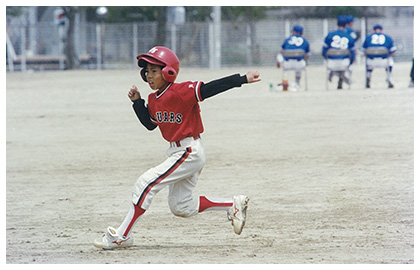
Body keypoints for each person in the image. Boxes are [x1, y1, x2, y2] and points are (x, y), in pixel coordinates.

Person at [93, 46, 261, 250]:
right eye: (147, 71)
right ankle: (232, 204)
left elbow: (209, 88)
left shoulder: (181, 91)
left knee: (145, 183)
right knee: (181, 206)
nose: (149, 75)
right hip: (179, 152)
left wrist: (241, 79)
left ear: (168, 72)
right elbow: (150, 124)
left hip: (189, 151)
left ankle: (122, 235)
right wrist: (138, 103)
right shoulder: (154, 100)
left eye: (154, 70)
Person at [322, 15, 356, 89]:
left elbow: (323, 52)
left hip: (331, 63)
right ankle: (342, 78)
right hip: (345, 63)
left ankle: (335, 75)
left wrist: (327, 60)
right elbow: (353, 54)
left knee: (336, 63)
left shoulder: (330, 35)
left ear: (337, 24)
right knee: (347, 61)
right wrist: (350, 62)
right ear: (346, 25)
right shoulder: (349, 36)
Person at [276, 24, 310, 89]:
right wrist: (305, 61)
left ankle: (284, 81)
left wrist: (278, 62)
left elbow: (281, 51)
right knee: (302, 61)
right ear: (302, 33)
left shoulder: (287, 39)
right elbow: (307, 55)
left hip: (287, 64)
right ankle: (297, 82)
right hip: (299, 64)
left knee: (279, 54)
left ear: (294, 32)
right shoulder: (305, 41)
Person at [362, 24, 397, 88]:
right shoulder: (387, 37)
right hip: (384, 61)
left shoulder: (368, 37)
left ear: (373, 30)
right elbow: (393, 49)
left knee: (368, 61)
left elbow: (363, 50)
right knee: (390, 61)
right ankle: (389, 77)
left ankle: (368, 76)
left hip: (370, 61)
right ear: (382, 30)